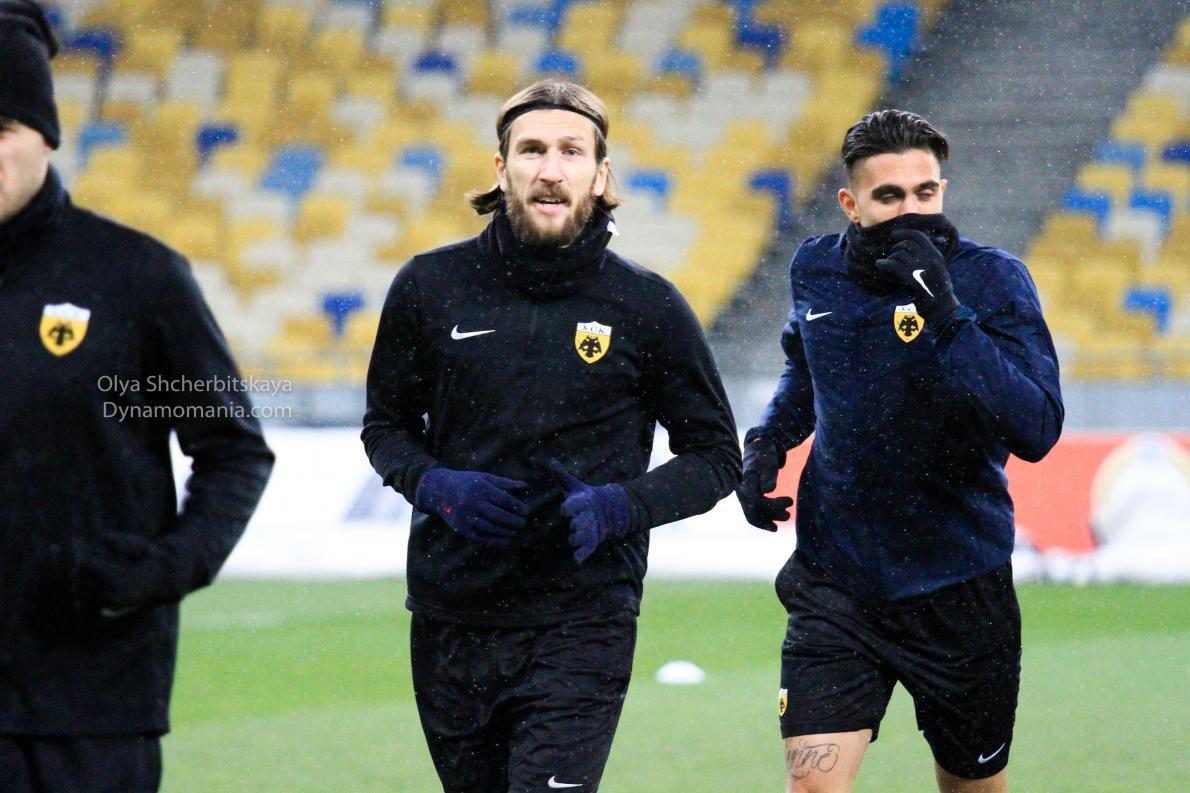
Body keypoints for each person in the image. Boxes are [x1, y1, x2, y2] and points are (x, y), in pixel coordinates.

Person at [362, 78, 741, 792]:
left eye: (571, 151)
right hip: (452, 615)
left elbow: (717, 455)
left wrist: (622, 506)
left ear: (600, 176)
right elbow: (386, 426)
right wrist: (436, 485)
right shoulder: (428, 286)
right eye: (531, 149)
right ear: (500, 168)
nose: (550, 168)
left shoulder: (646, 304)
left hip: (584, 616)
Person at [737, 109, 1063, 793]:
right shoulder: (816, 269)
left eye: (925, 192)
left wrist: (943, 309)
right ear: (851, 205)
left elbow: (1036, 427)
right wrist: (767, 440)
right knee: (812, 786)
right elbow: (806, 369)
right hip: (837, 583)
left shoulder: (993, 281)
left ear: (943, 190)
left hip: (959, 586)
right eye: (889, 197)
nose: (911, 212)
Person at [0, 2, 274, 791]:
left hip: (89, 700)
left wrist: (164, 567)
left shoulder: (133, 277)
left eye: (0, 128)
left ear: (45, 134)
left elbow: (233, 451)